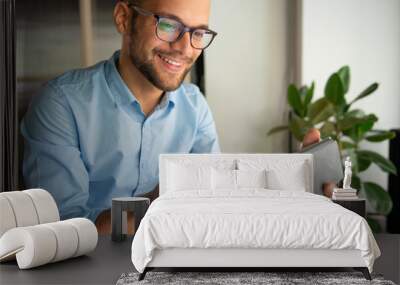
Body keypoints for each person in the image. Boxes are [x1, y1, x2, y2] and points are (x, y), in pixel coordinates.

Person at [21, 0, 328, 234]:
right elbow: (62, 234)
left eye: (198, 33)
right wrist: (162, 200)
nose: (184, 47)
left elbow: (217, 206)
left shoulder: (195, 106)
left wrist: (294, 189)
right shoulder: (60, 104)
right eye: (168, 25)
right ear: (124, 18)